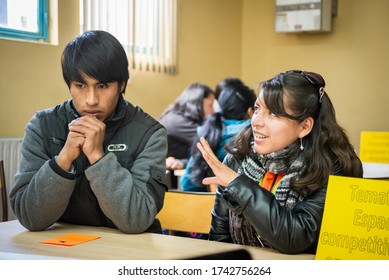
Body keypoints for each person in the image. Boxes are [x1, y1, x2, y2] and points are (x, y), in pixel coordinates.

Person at [9, 30, 168, 234]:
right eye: (80, 85)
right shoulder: (42, 126)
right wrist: (64, 159)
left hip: (129, 253)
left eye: (102, 85)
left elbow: (136, 219)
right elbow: (30, 218)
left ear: (121, 85)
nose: (91, 99)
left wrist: (97, 157)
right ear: (69, 85)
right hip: (65, 249)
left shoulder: (150, 134)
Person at [196, 70, 363, 254]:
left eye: (274, 114)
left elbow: (294, 238)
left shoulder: (330, 168)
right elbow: (220, 238)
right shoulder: (238, 158)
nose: (256, 122)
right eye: (257, 108)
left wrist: (238, 185)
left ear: (304, 126)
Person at [181, 84, 256, 192]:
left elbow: (187, 183)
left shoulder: (208, 130)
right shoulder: (253, 135)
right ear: (250, 111)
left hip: (199, 203)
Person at [158, 83, 215, 188]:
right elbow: (210, 144)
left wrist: (182, 162)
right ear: (197, 102)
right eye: (210, 105)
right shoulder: (176, 121)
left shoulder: (176, 116)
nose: (213, 111)